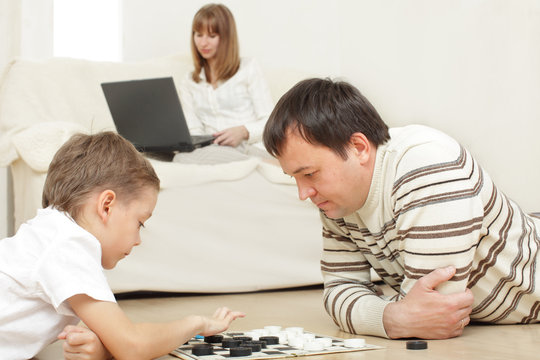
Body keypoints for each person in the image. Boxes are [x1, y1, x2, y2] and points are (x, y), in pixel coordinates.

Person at [262, 78, 540, 340]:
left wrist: (382, 314)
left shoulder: (427, 164)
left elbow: (437, 307)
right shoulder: (337, 201)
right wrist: (392, 318)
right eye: (294, 178)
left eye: (310, 173)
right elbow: (338, 290)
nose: (303, 193)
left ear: (358, 147)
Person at [0, 132, 244, 359]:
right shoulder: (68, 245)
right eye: (140, 223)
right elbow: (132, 345)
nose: (138, 240)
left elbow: (119, 340)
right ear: (107, 205)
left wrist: (104, 348)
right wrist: (197, 323)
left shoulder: (51, 233)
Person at [179, 3, 274, 149]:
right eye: (198, 35)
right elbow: (194, 131)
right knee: (180, 159)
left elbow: (270, 122)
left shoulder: (249, 68)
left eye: (212, 36)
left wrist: (243, 131)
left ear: (226, 37)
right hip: (212, 150)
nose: (203, 43)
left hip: (250, 147)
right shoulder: (189, 81)